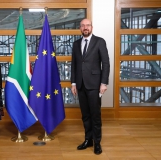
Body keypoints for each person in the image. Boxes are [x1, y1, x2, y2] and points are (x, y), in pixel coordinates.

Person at [71, 19, 110, 155]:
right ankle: (88, 139)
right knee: (85, 115)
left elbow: (106, 64)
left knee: (95, 115)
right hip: (80, 84)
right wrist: (73, 83)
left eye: (87, 25)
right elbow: (74, 65)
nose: (85, 28)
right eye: (83, 25)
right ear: (80, 28)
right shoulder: (76, 44)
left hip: (94, 84)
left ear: (92, 27)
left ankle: (97, 143)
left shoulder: (100, 41)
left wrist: (104, 83)